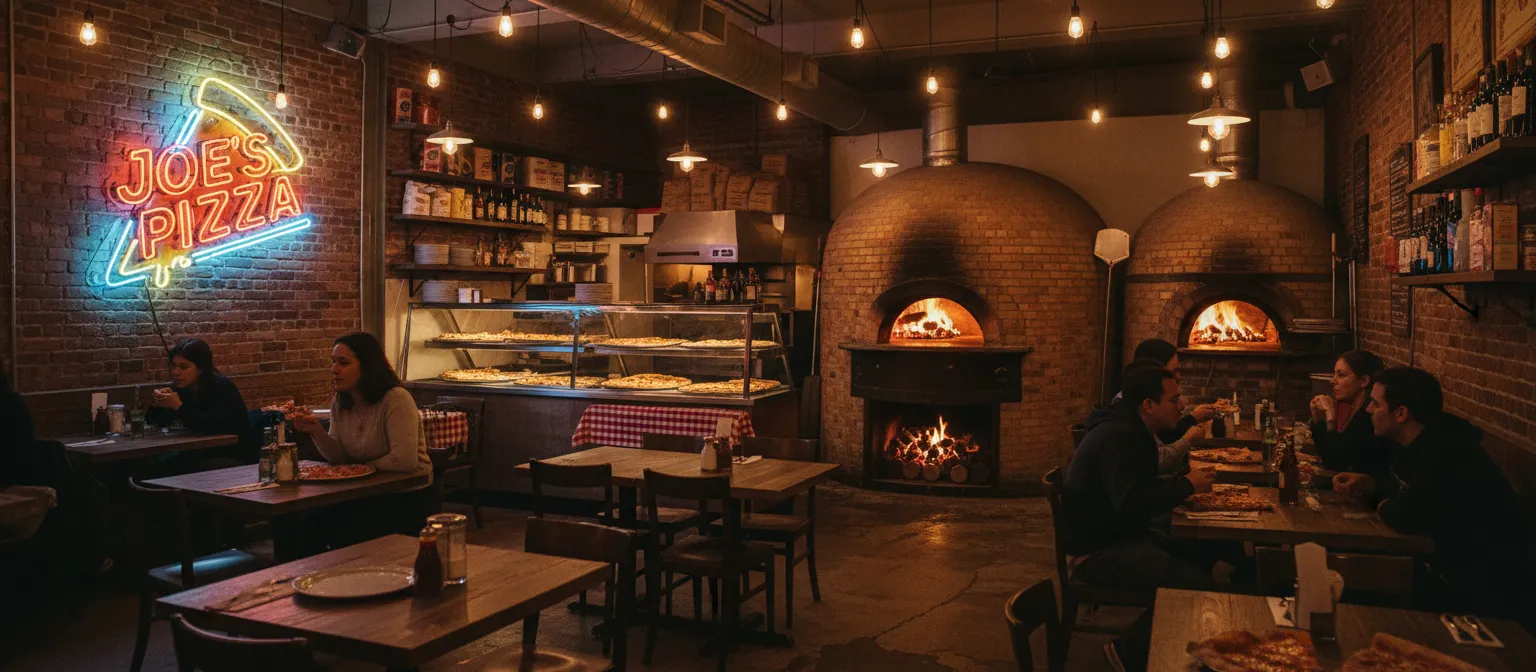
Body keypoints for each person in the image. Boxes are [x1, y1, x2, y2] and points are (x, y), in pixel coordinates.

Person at [1332, 367, 1524, 616]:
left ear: (1401, 414)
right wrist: (1372, 485)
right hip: (1450, 569)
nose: (1369, 410)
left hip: (1480, 589)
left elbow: (1406, 514)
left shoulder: (1444, 451)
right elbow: (1412, 491)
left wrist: (1382, 505)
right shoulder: (1420, 442)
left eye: (1376, 404)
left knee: (1356, 592)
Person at [1065, 365, 1219, 671]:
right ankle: (1128, 652)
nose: (1182, 405)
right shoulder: (1120, 436)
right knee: (1196, 586)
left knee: (1203, 553)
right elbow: (1131, 503)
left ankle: (1184, 645)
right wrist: (1187, 485)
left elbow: (1137, 491)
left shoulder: (1131, 429)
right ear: (1148, 405)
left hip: (1118, 536)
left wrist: (1178, 485)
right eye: (1174, 400)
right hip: (1098, 553)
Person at [290, 332, 436, 550]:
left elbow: (404, 461)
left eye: (343, 362)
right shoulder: (341, 402)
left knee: (346, 532)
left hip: (406, 495)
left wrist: (361, 468)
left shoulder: (396, 399)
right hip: (366, 493)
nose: (334, 369)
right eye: (333, 362)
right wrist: (317, 431)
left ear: (367, 366)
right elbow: (339, 458)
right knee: (303, 527)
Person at [146, 338, 253, 449]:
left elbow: (212, 427)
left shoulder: (221, 387)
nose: (175, 372)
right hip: (197, 450)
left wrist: (178, 406)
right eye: (173, 366)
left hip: (230, 452)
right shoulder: (184, 388)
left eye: (183, 367)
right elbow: (155, 422)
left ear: (200, 369)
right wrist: (159, 404)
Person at [1307, 350, 1394, 475]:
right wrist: (1318, 419)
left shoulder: (1369, 416)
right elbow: (1327, 452)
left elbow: (1335, 462)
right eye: (1334, 374)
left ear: (1363, 381)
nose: (1332, 381)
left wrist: (1331, 416)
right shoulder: (1357, 410)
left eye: (1341, 375)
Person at [1130, 338, 1218, 445]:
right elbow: (1161, 453)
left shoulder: (1140, 397)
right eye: (1174, 371)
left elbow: (1166, 436)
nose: (1179, 377)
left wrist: (1193, 418)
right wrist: (1188, 437)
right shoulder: (1130, 416)